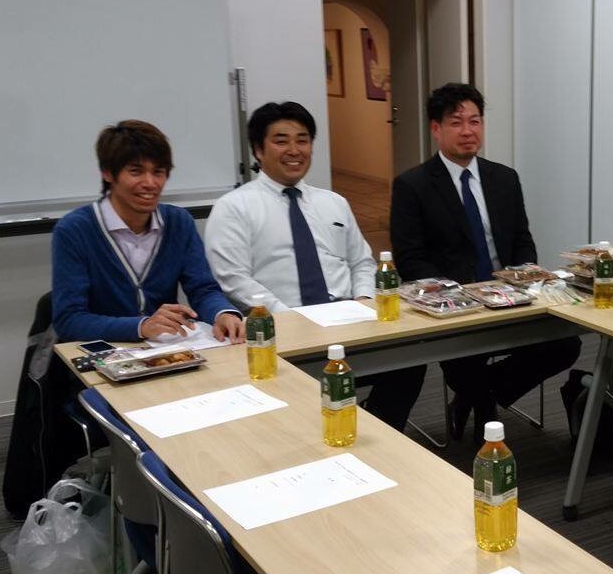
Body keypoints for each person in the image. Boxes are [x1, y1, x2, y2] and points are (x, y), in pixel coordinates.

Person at [204, 101, 425, 430]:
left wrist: (364, 300)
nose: (294, 150)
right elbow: (234, 278)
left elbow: (361, 262)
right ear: (258, 150)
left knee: (409, 359)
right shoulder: (233, 208)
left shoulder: (333, 202)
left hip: (348, 321)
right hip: (283, 330)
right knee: (290, 400)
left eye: (303, 140)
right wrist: (290, 318)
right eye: (281, 141)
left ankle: (377, 428)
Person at [390, 82, 582, 443]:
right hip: (455, 308)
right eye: (456, 122)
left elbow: (522, 241)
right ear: (436, 129)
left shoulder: (504, 178)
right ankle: (484, 409)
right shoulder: (413, 185)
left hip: (510, 299)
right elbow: (410, 259)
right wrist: (457, 295)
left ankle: (484, 396)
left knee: (565, 344)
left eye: (474, 121)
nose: (468, 131)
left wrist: (524, 278)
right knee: (465, 361)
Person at [51, 120, 243, 343]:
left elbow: (203, 289)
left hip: (167, 352)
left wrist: (223, 313)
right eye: (136, 171)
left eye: (158, 172)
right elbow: (69, 319)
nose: (150, 183)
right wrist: (141, 326)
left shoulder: (178, 222)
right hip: (105, 355)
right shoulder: (75, 230)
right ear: (108, 173)